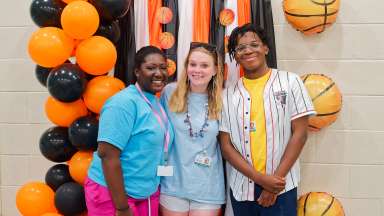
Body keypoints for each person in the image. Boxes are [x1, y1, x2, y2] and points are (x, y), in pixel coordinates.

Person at [219, 23, 316, 216]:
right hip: (242, 187)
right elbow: (226, 146)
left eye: (254, 44)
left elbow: (300, 134)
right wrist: (261, 180)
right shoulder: (226, 95)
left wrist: (273, 183)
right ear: (235, 56)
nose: (248, 51)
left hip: (281, 184)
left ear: (265, 48)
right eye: (240, 48)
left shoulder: (290, 81)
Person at [84, 46, 174, 216]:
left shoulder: (154, 100)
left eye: (163, 67)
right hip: (114, 194)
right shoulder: (122, 103)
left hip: (145, 190)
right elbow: (107, 154)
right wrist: (122, 207)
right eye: (150, 68)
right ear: (137, 71)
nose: (159, 73)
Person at [159, 42, 225, 216]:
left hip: (208, 187)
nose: (197, 70)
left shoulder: (223, 101)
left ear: (215, 70)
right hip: (173, 183)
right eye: (193, 64)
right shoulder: (169, 93)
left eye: (204, 65)